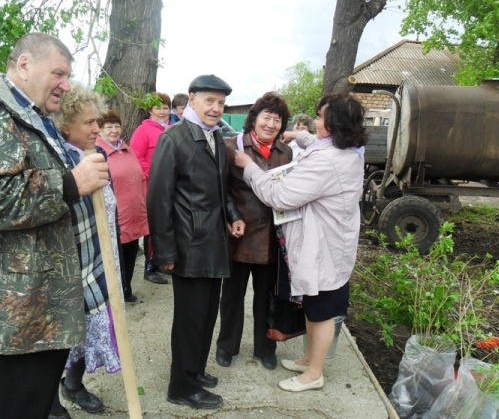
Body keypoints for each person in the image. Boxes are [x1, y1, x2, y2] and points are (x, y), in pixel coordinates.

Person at [0, 32, 110, 419]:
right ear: (25, 64)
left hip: (31, 311)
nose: (66, 85)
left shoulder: (30, 116)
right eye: (59, 73)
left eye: (68, 76)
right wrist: (71, 183)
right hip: (0, 318)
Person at [234, 92, 367, 393]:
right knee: (312, 306)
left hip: (324, 249)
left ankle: (314, 374)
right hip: (333, 243)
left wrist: (249, 166)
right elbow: (316, 144)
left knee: (320, 312)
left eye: (320, 117)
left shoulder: (328, 161)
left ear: (332, 124)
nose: (316, 121)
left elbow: (279, 196)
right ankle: (309, 358)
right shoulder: (351, 149)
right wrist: (300, 134)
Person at [147, 75, 245, 409]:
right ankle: (181, 387)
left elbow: (222, 189)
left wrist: (233, 216)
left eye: (221, 103)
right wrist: (164, 252)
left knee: (205, 315)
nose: (216, 108)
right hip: (188, 245)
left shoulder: (215, 138)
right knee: (190, 319)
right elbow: (158, 199)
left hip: (213, 243)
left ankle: (195, 371)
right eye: (210, 101)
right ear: (192, 99)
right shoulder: (173, 139)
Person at [49, 84, 123, 418]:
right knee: (58, 337)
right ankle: (49, 403)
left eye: (98, 122)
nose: (97, 129)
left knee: (90, 326)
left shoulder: (96, 155)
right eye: (88, 123)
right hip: (67, 267)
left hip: (100, 259)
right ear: (65, 126)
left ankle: (74, 385)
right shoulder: (53, 160)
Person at [215, 92, 292, 371]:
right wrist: (232, 216)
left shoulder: (286, 152)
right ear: (254, 119)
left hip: (272, 238)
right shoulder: (231, 147)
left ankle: (265, 347)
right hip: (240, 234)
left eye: (277, 119)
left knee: (266, 297)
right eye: (266, 117)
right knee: (232, 296)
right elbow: (220, 190)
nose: (271, 124)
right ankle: (226, 346)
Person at [96, 110, 149, 303]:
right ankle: (115, 292)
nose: (114, 130)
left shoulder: (127, 149)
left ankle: (126, 288)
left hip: (134, 211)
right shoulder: (98, 152)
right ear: (100, 130)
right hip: (115, 214)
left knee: (131, 252)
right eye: (108, 127)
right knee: (115, 255)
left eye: (117, 126)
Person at [129, 92, 173, 285]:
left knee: (168, 222)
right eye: (158, 108)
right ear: (150, 110)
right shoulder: (143, 131)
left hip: (173, 185)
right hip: (152, 186)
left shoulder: (173, 129)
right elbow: (135, 157)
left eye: (165, 107)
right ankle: (150, 265)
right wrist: (154, 176)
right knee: (152, 224)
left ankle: (164, 261)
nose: (162, 112)